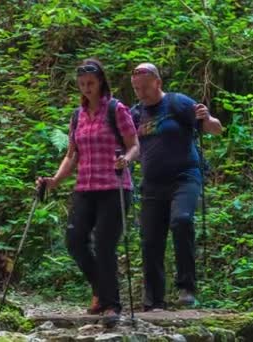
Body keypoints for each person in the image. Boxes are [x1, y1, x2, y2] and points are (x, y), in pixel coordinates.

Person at [37, 58, 140, 321]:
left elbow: (134, 145)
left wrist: (126, 160)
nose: (86, 88)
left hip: (114, 186)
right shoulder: (77, 115)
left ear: (101, 82)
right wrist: (55, 181)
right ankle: (100, 289)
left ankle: (112, 305)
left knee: (105, 245)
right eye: (82, 84)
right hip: (85, 187)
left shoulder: (117, 110)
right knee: (74, 241)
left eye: (91, 83)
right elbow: (72, 155)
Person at [130, 62, 223, 311]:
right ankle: (154, 298)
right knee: (150, 238)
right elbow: (129, 146)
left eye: (145, 88)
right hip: (152, 185)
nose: (141, 93)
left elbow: (214, 128)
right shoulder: (135, 114)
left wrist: (208, 118)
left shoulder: (177, 103)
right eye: (137, 89)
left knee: (181, 220)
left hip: (185, 177)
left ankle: (186, 288)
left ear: (157, 83)